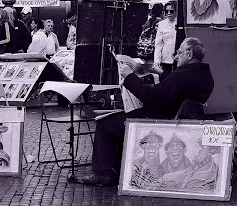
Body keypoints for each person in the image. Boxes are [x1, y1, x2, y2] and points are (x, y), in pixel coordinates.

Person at [80, 37, 214, 186]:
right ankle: (117, 167)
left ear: (189, 55)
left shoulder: (182, 75)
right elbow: (177, 86)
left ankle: (104, 173)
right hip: (173, 118)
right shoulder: (204, 76)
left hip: (158, 121)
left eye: (179, 52)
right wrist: (161, 73)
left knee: (106, 123)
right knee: (116, 118)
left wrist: (129, 77)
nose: (176, 56)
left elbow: (152, 97)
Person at [154, 0, 177, 73]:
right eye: (167, 11)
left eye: (171, 11)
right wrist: (157, 60)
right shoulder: (161, 24)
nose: (169, 14)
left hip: (178, 58)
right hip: (166, 58)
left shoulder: (180, 23)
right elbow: (158, 44)